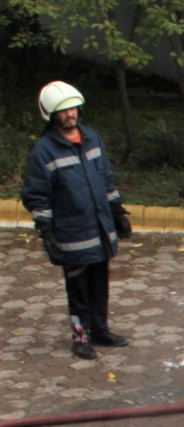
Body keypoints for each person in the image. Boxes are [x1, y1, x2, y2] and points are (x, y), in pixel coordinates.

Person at [21, 81, 132, 360]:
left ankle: (100, 330)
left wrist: (117, 211)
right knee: (78, 289)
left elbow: (105, 178)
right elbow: (37, 196)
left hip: (100, 229)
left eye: (72, 108)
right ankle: (80, 338)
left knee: (99, 284)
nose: (70, 114)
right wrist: (46, 232)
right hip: (73, 234)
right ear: (50, 115)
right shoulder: (43, 152)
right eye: (62, 110)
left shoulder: (92, 138)